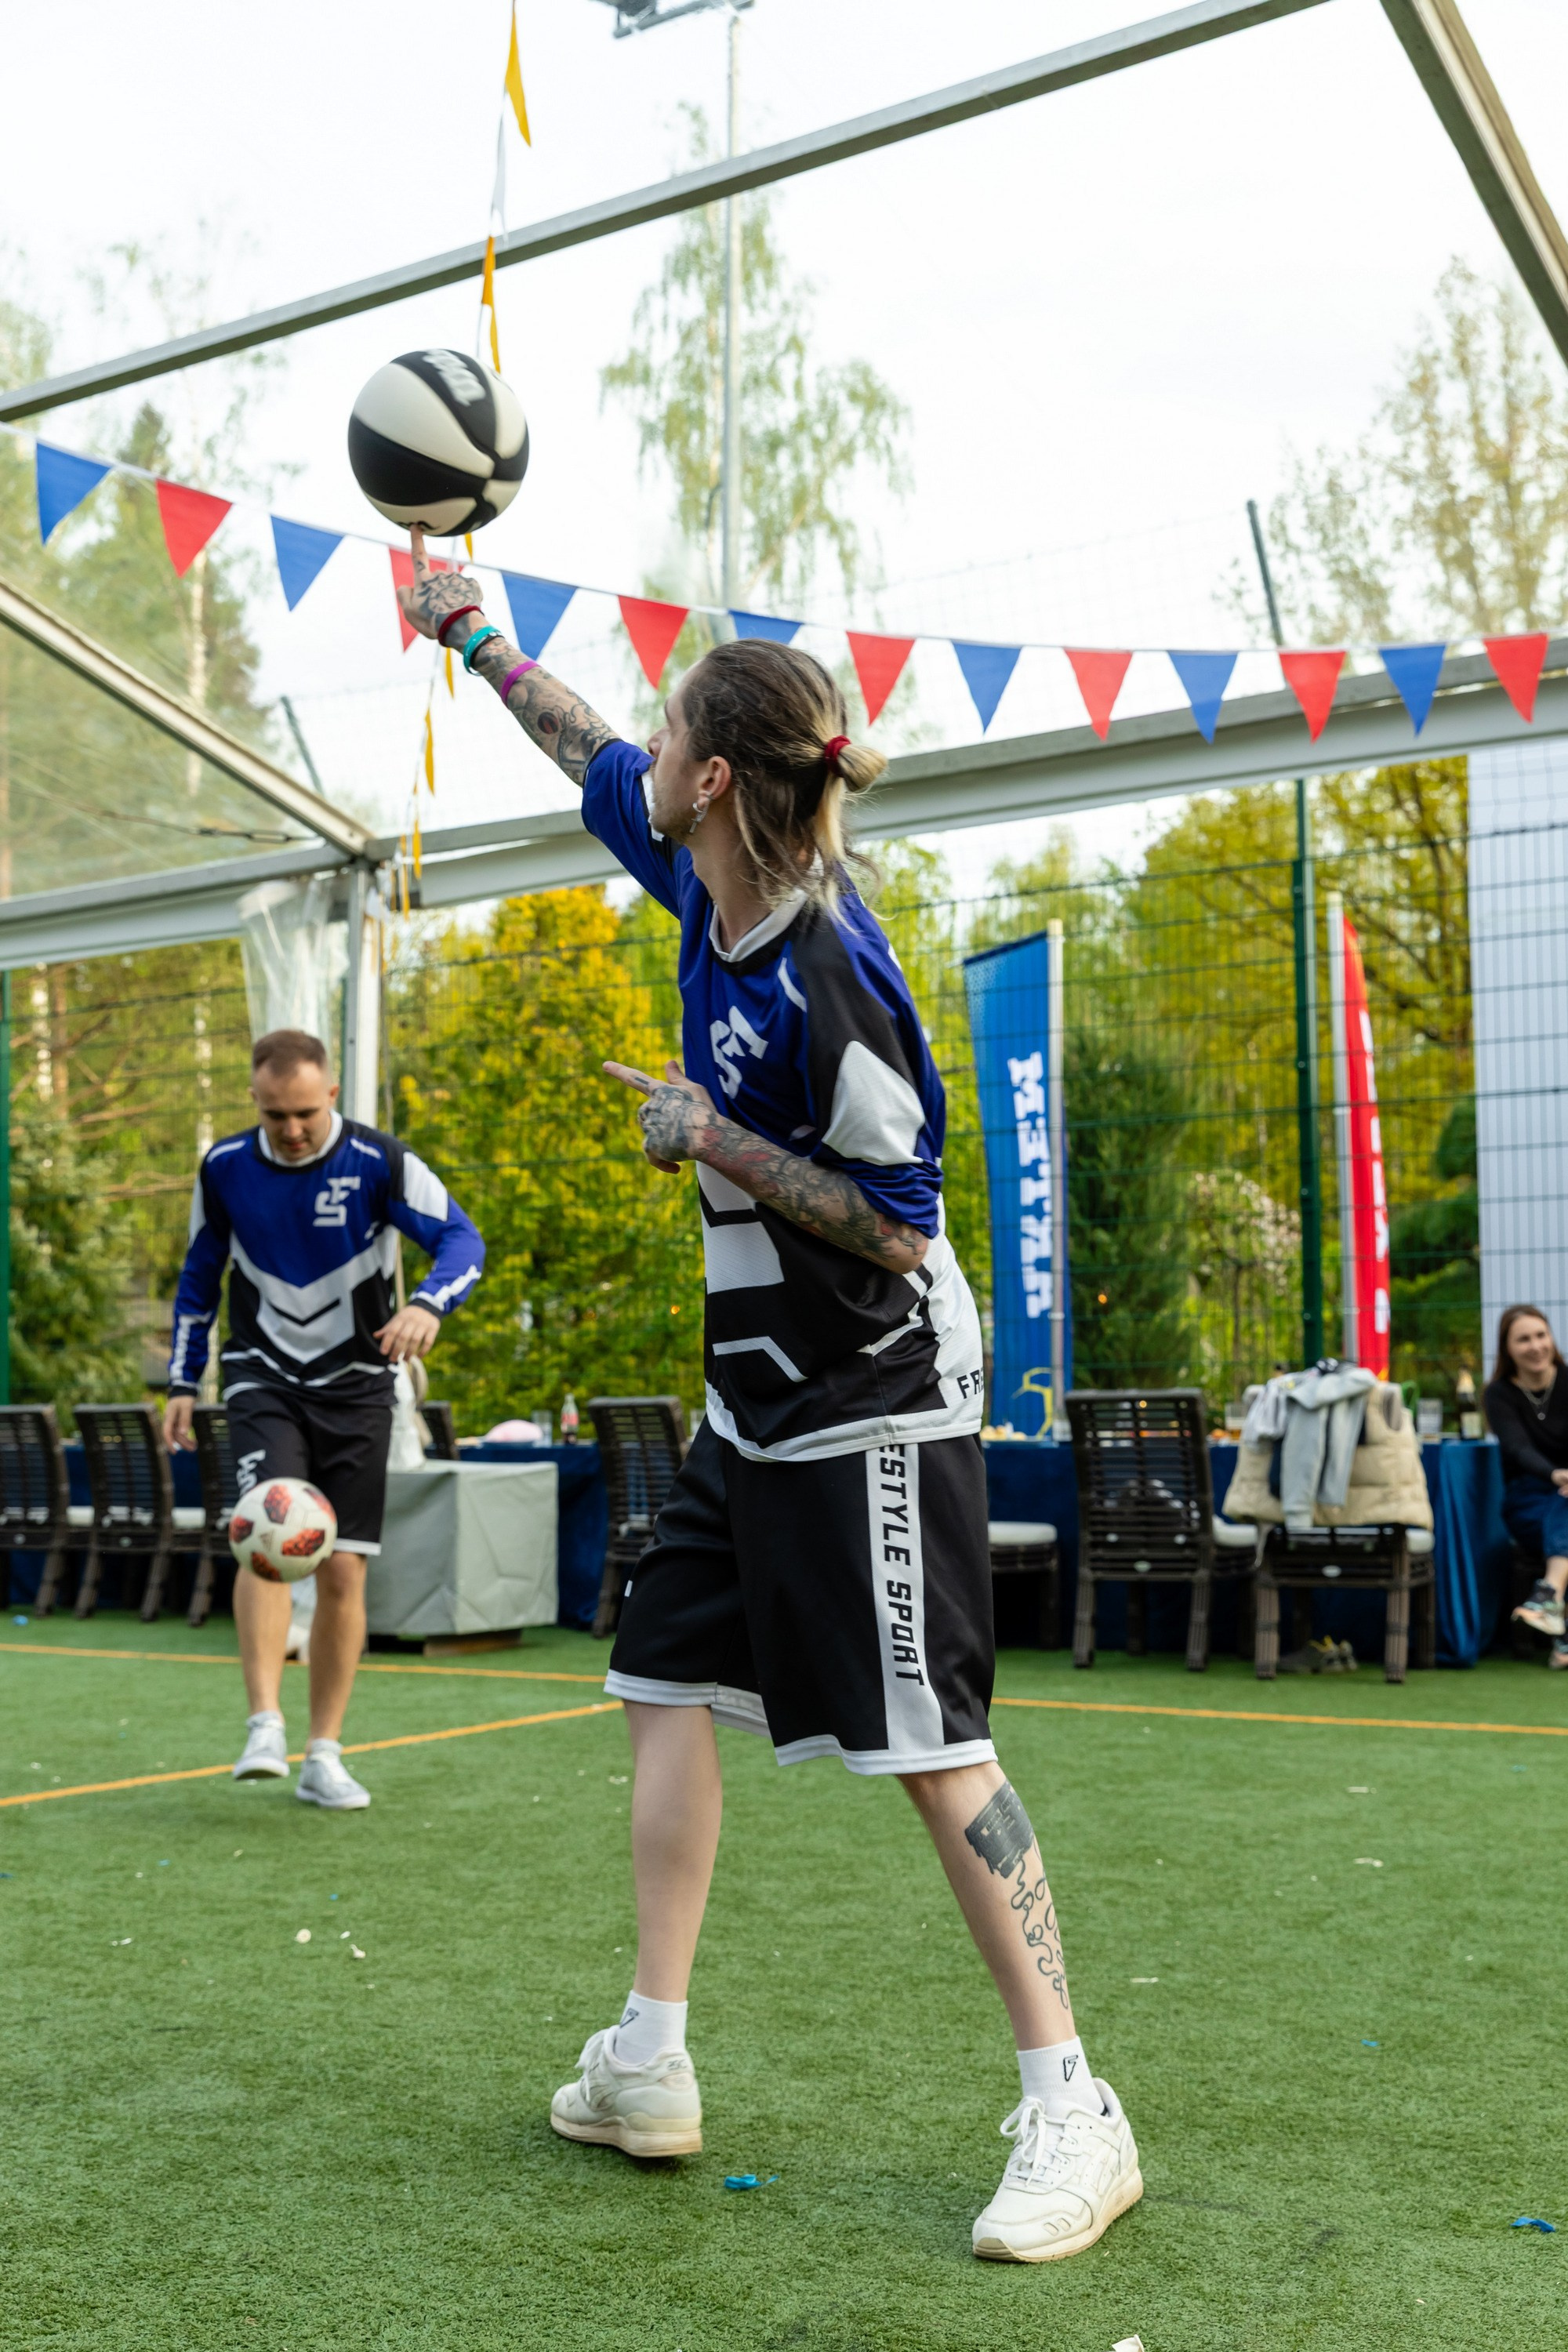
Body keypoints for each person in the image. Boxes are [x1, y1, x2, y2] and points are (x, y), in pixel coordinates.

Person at [399, 534, 1142, 2264]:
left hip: (875, 1400)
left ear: (720, 778)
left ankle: (1075, 2108)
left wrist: (715, 1138)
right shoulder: (698, 881)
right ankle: (648, 2057)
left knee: (934, 1753)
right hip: (753, 1406)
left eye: (671, 735)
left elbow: (898, 1227)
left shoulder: (834, 975)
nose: (645, 754)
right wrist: (471, 635)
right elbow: (579, 740)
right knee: (659, 1679)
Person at [163, 1028, 485, 1806]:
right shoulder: (224, 1167)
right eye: (275, 1115)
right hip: (262, 1376)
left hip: (358, 1384)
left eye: (306, 1113)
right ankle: (263, 1724)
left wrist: (427, 1303)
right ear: (253, 1100)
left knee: (342, 1566)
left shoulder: (379, 1161)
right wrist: (181, 1381)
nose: (293, 1130)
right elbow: (199, 1276)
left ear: (331, 1094)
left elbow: (462, 1239)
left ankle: (324, 1755)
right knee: (266, 1537)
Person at [1490, 1304, 1568, 1667]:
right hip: (1527, 1498)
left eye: (1541, 1335)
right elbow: (1517, 1448)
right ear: (1507, 1348)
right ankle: (1557, 1624)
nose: (1535, 1346)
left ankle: (1548, 1596)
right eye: (1523, 1339)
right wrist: (1556, 1475)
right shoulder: (1498, 1394)